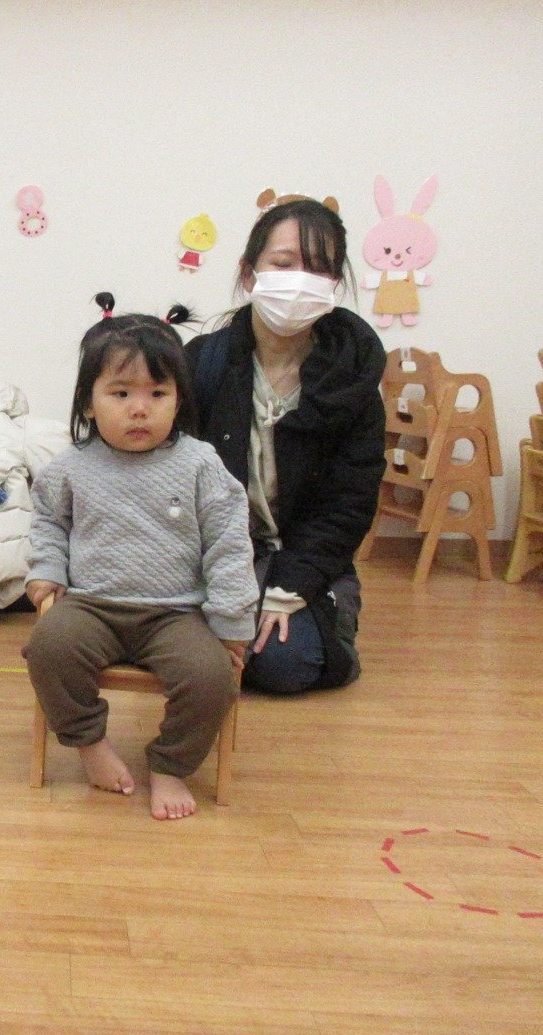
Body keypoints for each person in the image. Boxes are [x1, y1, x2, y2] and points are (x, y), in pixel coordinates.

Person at [24, 295, 258, 820]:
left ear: (179, 399)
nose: (139, 408)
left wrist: (230, 621)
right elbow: (48, 521)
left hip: (176, 613)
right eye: (121, 392)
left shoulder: (200, 464)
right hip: (92, 605)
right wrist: (47, 569)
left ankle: (171, 764)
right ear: (89, 403)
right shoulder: (71, 466)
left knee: (212, 679)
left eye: (158, 393)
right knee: (48, 647)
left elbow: (229, 544)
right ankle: (89, 743)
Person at [185, 197, 386, 695]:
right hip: (220, 553)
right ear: (249, 273)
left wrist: (291, 585)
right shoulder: (202, 363)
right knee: (187, 651)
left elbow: (350, 501)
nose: (300, 280)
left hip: (303, 551)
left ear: (335, 283)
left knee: (284, 665)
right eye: (283, 263)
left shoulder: (353, 376)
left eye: (319, 268)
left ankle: (329, 611)